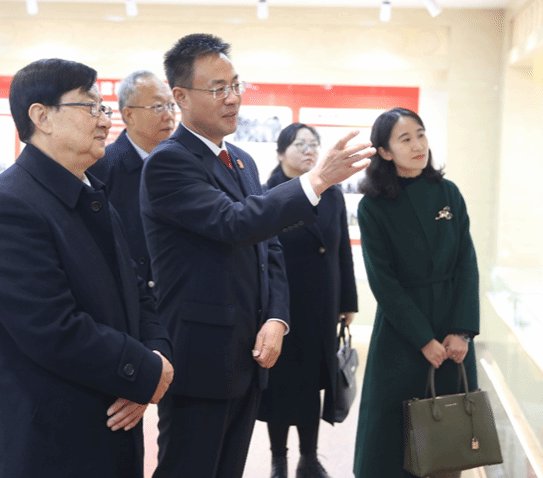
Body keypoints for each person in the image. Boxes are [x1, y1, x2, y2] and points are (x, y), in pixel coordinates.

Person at [140, 33, 375, 478]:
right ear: (180, 96)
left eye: (235, 85)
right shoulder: (169, 162)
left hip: (249, 355)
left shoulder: (242, 161)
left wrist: (277, 317)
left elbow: (270, 247)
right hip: (200, 357)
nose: (232, 98)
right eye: (217, 89)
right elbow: (234, 222)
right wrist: (316, 181)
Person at [0, 58, 174, 478]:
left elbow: (138, 292)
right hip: (50, 441)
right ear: (41, 117)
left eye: (104, 108)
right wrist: (142, 370)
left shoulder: (90, 192)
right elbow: (51, 328)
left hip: (109, 425)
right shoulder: (9, 205)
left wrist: (155, 353)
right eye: (90, 107)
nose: (105, 121)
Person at [353, 108, 480, 478]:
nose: (418, 145)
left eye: (421, 135)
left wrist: (462, 331)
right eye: (405, 139)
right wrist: (423, 338)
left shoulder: (448, 192)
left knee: (448, 438)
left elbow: (467, 263)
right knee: (392, 440)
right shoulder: (372, 206)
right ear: (385, 151)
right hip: (402, 333)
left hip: (452, 328)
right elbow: (383, 282)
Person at [257, 123, 359, 478]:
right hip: (282, 306)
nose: (309, 150)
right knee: (280, 385)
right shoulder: (269, 193)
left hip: (322, 302)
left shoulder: (332, 193)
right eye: (300, 144)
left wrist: (347, 301)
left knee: (312, 383)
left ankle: (309, 457)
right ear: (280, 152)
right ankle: (278, 459)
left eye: (313, 144)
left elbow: (341, 250)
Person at [89, 70, 176, 287]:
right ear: (129, 115)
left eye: (171, 106)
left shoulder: (182, 164)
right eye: (158, 107)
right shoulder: (100, 168)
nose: (169, 116)